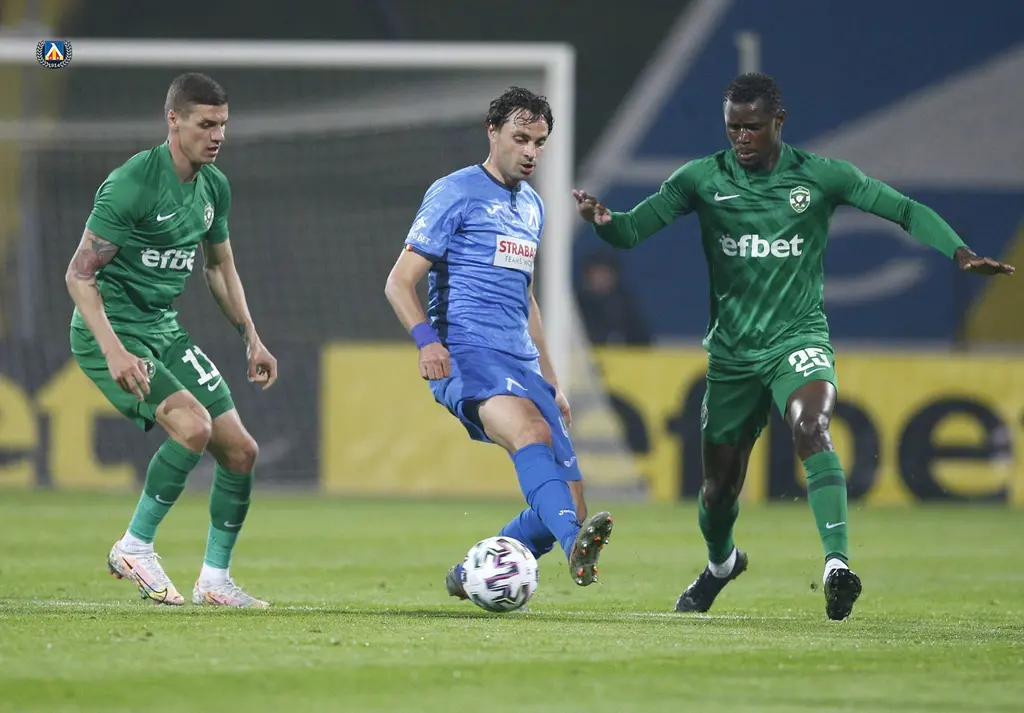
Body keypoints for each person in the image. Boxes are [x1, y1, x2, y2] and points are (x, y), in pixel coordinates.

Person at [572, 72, 1014, 621]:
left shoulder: (822, 176)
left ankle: (836, 565)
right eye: (733, 128)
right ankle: (720, 566)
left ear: (779, 122)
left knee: (811, 427)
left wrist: (960, 252)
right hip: (732, 356)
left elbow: (903, 209)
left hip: (798, 339)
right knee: (717, 491)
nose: (742, 138)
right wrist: (604, 222)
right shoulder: (701, 179)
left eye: (753, 127)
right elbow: (632, 231)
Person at [384, 86, 614, 599]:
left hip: (521, 361)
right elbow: (398, 282)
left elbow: (527, 300)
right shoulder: (455, 191)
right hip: (466, 355)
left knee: (569, 504)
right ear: (492, 132)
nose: (531, 151)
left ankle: (470, 574)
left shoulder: (532, 206)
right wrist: (427, 342)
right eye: (520, 138)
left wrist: (551, 381)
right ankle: (576, 547)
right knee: (530, 434)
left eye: (540, 142)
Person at [65, 73, 278, 608]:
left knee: (241, 452)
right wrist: (114, 351)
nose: (217, 135)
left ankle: (215, 581)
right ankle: (133, 546)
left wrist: (251, 336)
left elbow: (219, 266)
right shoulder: (133, 184)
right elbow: (78, 276)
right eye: (206, 124)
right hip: (112, 330)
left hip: (163, 328)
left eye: (223, 124)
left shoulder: (214, 187)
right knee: (192, 426)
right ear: (174, 120)